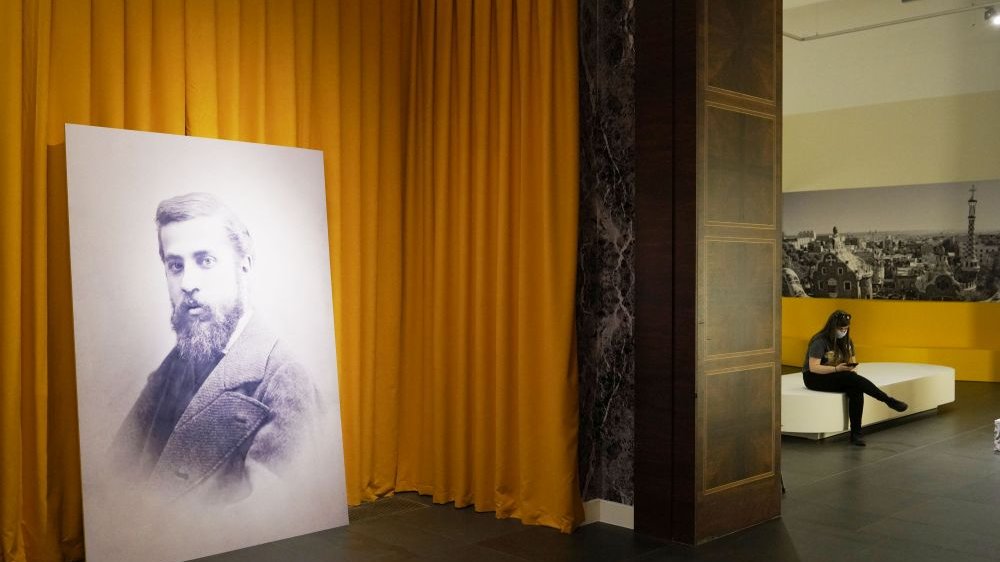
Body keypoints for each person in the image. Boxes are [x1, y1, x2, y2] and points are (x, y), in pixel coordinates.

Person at [111, 192, 319, 503]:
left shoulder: (284, 380)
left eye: (206, 261)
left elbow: (269, 520)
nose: (188, 283)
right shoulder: (176, 363)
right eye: (175, 265)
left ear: (244, 267)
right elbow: (117, 470)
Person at [802, 310, 908, 446]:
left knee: (856, 389)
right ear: (832, 327)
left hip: (837, 375)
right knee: (851, 380)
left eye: (846, 328)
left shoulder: (847, 341)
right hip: (814, 377)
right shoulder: (820, 341)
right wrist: (836, 369)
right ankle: (888, 400)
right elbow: (814, 367)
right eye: (840, 329)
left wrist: (850, 370)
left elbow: (854, 362)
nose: (843, 331)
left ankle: (856, 434)